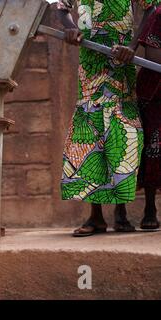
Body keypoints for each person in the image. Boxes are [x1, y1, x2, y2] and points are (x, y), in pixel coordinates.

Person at [57, 0, 158, 236]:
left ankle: (121, 213)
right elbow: (61, 7)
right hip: (90, 66)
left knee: (122, 134)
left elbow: (152, 8)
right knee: (91, 135)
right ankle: (96, 216)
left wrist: (133, 46)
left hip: (122, 63)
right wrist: (70, 28)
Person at [136, 5, 161, 230]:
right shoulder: (159, 13)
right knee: (152, 149)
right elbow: (152, 53)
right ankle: (150, 208)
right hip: (154, 93)